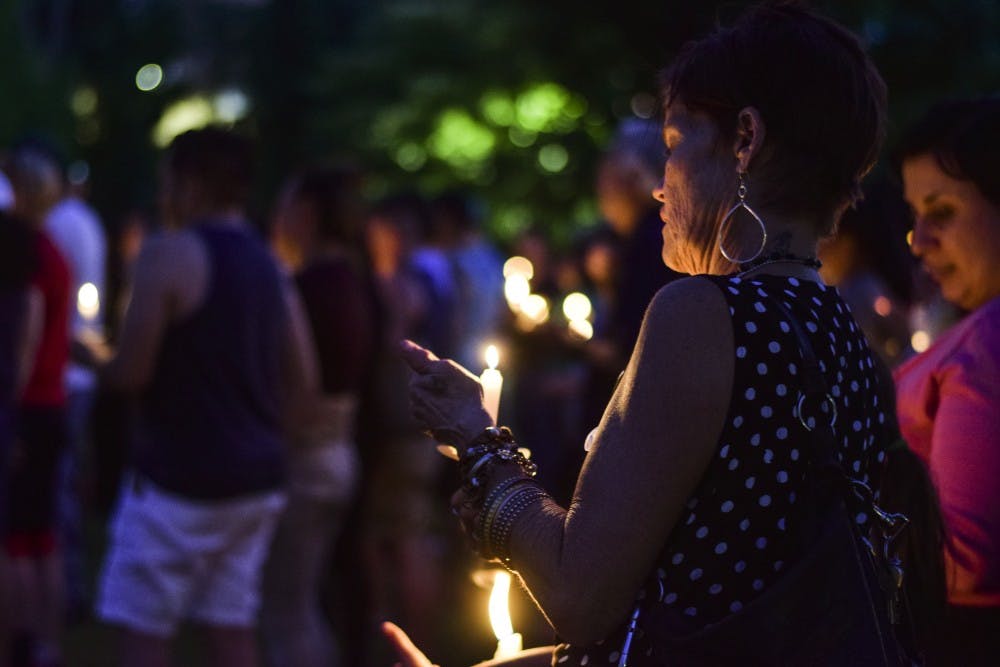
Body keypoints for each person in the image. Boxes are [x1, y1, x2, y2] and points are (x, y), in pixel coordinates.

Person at [399, 3, 932, 665]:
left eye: (675, 146)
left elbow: (579, 590)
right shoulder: (842, 332)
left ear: (744, 138)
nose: (659, 187)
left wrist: (477, 442)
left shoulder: (702, 314)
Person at [84, 128, 317, 667]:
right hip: (256, 481)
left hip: (176, 483)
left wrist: (91, 355)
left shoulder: (169, 254)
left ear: (189, 182)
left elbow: (131, 373)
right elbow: (305, 384)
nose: (164, 195)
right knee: (232, 628)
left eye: (168, 180)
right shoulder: (271, 265)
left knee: (146, 631)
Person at [893, 97, 1000, 665]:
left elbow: (964, 562)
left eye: (943, 212)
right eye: (915, 215)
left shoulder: (986, 347)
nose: (918, 241)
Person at [261, 163, 377, 667]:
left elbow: (299, 387)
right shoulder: (352, 281)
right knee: (305, 603)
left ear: (305, 214)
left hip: (306, 457)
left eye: (284, 207)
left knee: (288, 610)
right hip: (341, 453)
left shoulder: (305, 288)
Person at [2, 146, 70, 667]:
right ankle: (46, 640)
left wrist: (11, 409)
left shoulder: (28, 255)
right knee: (42, 531)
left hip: (28, 405)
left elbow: (25, 331)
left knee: (17, 536)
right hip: (53, 400)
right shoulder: (55, 251)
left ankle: (22, 640)